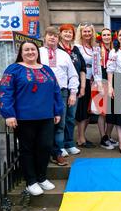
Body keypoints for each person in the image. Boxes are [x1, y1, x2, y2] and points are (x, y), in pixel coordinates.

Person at [0, 41, 63, 196]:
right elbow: (5, 92)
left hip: (46, 116)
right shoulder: (13, 70)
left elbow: (56, 91)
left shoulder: (46, 69)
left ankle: (41, 177)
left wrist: (57, 111)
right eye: (26, 49)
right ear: (21, 53)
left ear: (37, 52)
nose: (30, 52)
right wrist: (9, 114)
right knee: (27, 149)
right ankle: (31, 181)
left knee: (45, 146)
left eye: (32, 49)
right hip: (24, 117)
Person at [40, 26, 79, 166]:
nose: (52, 37)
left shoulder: (64, 55)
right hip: (41, 93)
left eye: (55, 36)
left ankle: (58, 150)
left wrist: (73, 93)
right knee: (44, 123)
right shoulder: (37, 53)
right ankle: (45, 152)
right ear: (45, 37)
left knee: (60, 123)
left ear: (58, 38)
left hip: (61, 93)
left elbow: (73, 75)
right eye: (50, 35)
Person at [58, 23, 86, 156]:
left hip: (74, 88)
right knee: (61, 118)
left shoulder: (75, 49)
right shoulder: (56, 49)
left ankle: (69, 143)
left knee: (70, 117)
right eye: (65, 32)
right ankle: (60, 145)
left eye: (70, 32)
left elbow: (82, 69)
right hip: (61, 88)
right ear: (60, 34)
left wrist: (83, 87)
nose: (68, 34)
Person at [75, 23, 103, 148]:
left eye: (89, 31)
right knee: (82, 112)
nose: (87, 34)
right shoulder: (77, 47)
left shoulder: (95, 48)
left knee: (89, 111)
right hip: (82, 81)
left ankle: (82, 136)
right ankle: (80, 139)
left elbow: (97, 67)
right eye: (84, 31)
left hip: (92, 82)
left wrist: (99, 83)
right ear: (80, 33)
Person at [95, 28, 118, 150]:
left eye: (108, 34)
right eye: (104, 35)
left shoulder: (115, 50)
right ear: (101, 37)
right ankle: (103, 137)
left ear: (112, 36)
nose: (106, 37)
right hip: (102, 81)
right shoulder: (97, 50)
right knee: (103, 111)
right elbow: (95, 68)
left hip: (114, 81)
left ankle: (108, 136)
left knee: (113, 111)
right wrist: (99, 84)